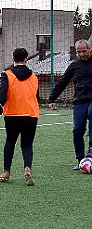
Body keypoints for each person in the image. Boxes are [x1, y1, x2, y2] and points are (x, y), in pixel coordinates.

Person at [0, 48, 39, 186]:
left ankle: (6, 172)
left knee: (10, 142)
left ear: (13, 59)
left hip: (13, 115)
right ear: (26, 59)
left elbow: (2, 95)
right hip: (31, 115)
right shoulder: (34, 76)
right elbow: (36, 96)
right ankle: (27, 168)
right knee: (27, 144)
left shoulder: (7, 74)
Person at [48, 39, 92, 169]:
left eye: (84, 51)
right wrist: (52, 99)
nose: (82, 54)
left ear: (90, 49)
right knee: (77, 129)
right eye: (79, 52)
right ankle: (80, 160)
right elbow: (62, 82)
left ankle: (91, 151)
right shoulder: (74, 65)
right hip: (80, 101)